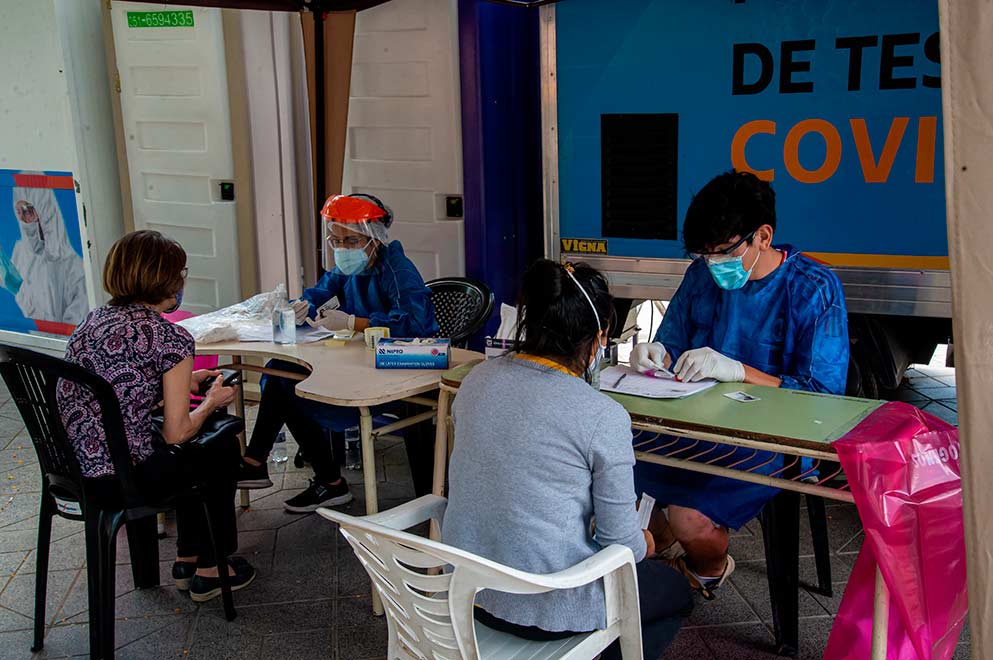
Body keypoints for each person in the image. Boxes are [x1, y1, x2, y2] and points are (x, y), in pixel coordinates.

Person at [443, 259, 693, 660]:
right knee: (676, 593)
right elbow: (621, 546)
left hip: (467, 594)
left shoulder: (476, 380)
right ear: (599, 337)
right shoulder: (602, 415)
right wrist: (646, 542)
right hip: (549, 609)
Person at [629, 170, 849, 598]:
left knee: (689, 516)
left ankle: (706, 570)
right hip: (693, 426)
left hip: (771, 441)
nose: (713, 265)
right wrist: (656, 353)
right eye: (704, 255)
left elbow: (822, 398)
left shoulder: (814, 290)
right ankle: (661, 541)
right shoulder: (701, 275)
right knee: (617, 478)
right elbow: (672, 341)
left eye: (724, 253)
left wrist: (740, 371)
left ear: (763, 236)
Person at [58, 230, 256, 602]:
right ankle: (211, 569)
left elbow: (117, 391)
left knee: (193, 451)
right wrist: (211, 401)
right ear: (167, 281)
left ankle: (188, 558)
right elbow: (176, 433)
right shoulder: (169, 338)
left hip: (77, 469)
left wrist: (180, 384)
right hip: (123, 478)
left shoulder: (92, 322)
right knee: (218, 448)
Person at [237, 193, 439, 513]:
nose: (343, 249)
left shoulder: (397, 270)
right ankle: (267, 464)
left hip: (393, 370)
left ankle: (306, 475)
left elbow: (415, 326)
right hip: (356, 361)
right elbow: (320, 292)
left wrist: (353, 322)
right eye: (337, 240)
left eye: (351, 240)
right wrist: (302, 307)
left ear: (374, 237)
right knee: (280, 373)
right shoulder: (348, 268)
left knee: (287, 387)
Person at [11, 184, 88, 325]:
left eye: (28, 210)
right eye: (19, 212)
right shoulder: (20, 253)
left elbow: (73, 329)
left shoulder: (75, 268)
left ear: (45, 210)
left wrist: (24, 299)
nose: (25, 220)